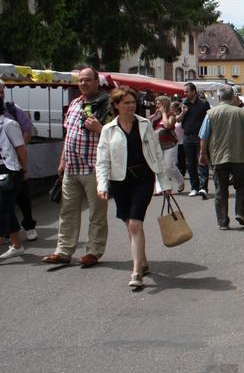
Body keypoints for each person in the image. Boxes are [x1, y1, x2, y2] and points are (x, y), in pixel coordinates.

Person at [96, 87, 171, 288]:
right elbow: (102, 160)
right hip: (120, 181)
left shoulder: (145, 124)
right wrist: (102, 184)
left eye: (133, 102)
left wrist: (164, 182)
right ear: (116, 106)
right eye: (126, 103)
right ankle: (143, 261)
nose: (131, 106)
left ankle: (136, 272)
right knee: (129, 223)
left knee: (135, 224)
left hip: (143, 179)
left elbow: (156, 154)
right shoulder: (108, 129)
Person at [42, 67, 112, 266]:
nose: (83, 83)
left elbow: (116, 135)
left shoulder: (108, 104)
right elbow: (69, 135)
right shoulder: (75, 103)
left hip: (94, 168)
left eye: (88, 80)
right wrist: (63, 160)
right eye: (81, 80)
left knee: (97, 214)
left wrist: (99, 128)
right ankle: (63, 251)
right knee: (67, 212)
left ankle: (93, 252)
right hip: (72, 168)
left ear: (97, 82)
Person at [199, 85, 244, 230]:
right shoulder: (242, 113)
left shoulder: (211, 113)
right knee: (241, 185)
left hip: (218, 156)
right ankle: (240, 213)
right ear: (233, 97)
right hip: (239, 155)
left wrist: (202, 154)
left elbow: (204, 136)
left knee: (221, 189)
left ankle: (223, 221)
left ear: (219, 98)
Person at [0, 80, 38, 241]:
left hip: (15, 162)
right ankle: (9, 235)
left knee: (22, 197)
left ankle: (29, 226)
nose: (0, 94)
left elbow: (28, 130)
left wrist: (18, 147)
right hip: (3, 163)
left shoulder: (13, 110)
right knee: (5, 202)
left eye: (1, 91)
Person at [0, 107, 28, 260]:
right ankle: (17, 245)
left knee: (3, 207)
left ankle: (6, 240)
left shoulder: (9, 124)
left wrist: (24, 170)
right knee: (6, 208)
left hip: (9, 170)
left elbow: (22, 150)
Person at [176, 82, 210, 199]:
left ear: (194, 91)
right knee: (190, 164)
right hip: (187, 137)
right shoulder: (183, 103)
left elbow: (208, 120)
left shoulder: (204, 103)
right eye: (184, 91)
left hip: (200, 137)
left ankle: (203, 188)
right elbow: (178, 120)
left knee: (202, 162)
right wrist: (183, 111)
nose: (185, 93)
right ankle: (194, 187)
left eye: (187, 91)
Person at [151, 95, 184, 194]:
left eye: (158, 103)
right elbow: (149, 125)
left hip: (170, 143)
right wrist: (154, 117)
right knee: (158, 165)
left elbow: (167, 125)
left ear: (164, 104)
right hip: (157, 143)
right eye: (156, 103)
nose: (156, 105)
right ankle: (159, 188)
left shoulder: (171, 114)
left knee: (169, 166)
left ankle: (180, 181)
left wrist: (164, 113)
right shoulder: (156, 114)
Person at [171, 100, 186, 192]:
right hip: (175, 142)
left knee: (181, 159)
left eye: (172, 107)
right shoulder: (172, 116)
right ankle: (179, 175)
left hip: (182, 141)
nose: (171, 109)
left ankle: (182, 174)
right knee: (175, 160)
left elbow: (178, 121)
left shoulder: (180, 117)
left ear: (176, 108)